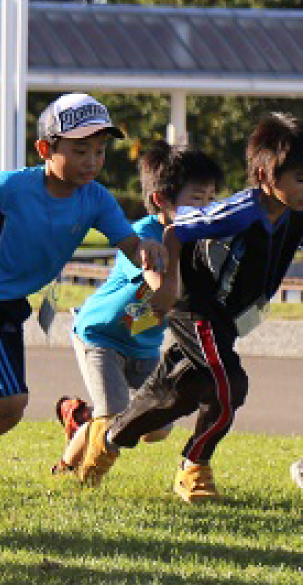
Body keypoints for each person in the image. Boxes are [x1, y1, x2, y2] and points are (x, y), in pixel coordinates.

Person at [0, 92, 168, 486]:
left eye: (100, 151)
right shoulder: (13, 186)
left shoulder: (96, 199)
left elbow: (131, 245)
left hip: (7, 304)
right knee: (9, 400)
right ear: (44, 148)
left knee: (2, 409)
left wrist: (149, 250)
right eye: (80, 150)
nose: (92, 161)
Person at [77, 112, 303, 504]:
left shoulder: (294, 212)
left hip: (227, 319)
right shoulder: (240, 211)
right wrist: (166, 288)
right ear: (266, 175)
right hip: (197, 309)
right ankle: (193, 467)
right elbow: (177, 231)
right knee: (228, 386)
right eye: (301, 178)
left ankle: (109, 438)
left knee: (178, 391)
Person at [52, 142, 223, 474]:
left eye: (211, 200)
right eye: (197, 199)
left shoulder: (200, 242)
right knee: (114, 418)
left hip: (143, 345)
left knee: (156, 425)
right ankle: (72, 473)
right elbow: (161, 289)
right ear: (162, 200)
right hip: (101, 336)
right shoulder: (144, 235)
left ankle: (82, 417)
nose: (206, 209)